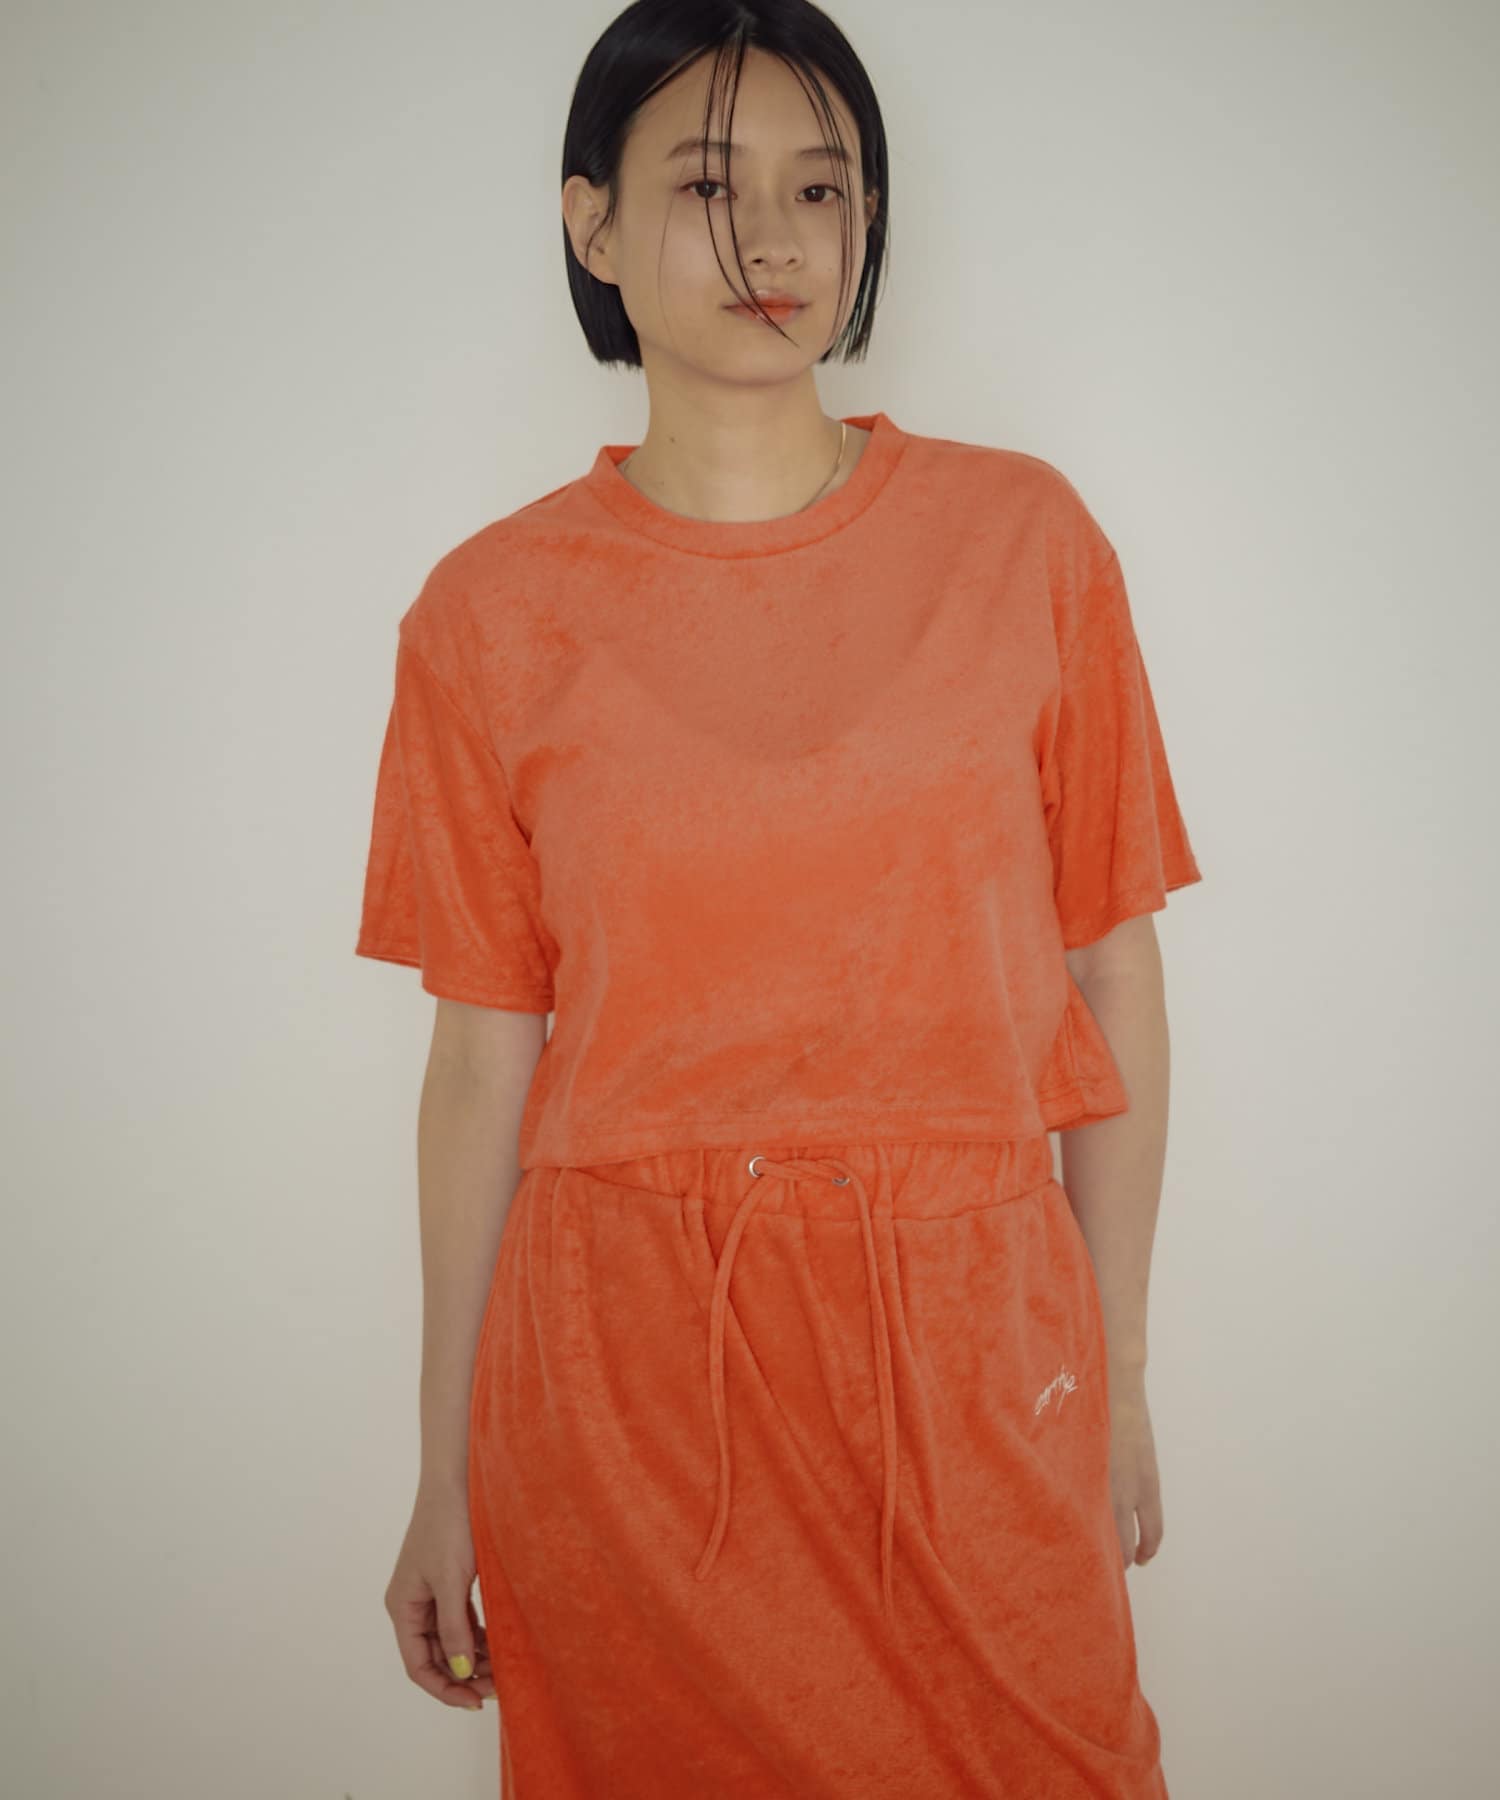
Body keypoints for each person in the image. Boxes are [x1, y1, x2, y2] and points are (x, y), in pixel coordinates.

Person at [355, 3, 1203, 1794]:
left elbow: (1114, 977)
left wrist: (1117, 1377)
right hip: (630, 1393)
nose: (772, 237)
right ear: (590, 224)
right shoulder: (488, 615)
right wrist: (443, 1470)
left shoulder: (1025, 543)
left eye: (820, 186)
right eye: (703, 184)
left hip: (974, 1356)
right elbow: (483, 1059)